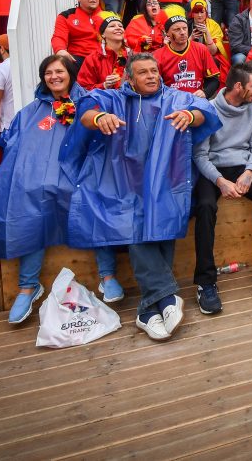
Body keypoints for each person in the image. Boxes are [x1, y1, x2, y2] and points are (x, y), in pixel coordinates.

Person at [62, 54, 220, 341]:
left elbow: (204, 112)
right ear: (130, 79)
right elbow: (85, 110)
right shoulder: (114, 100)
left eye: (154, 71)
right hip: (123, 186)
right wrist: (100, 118)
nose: (151, 76)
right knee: (133, 227)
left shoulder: (174, 98)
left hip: (164, 182)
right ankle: (166, 298)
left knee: (162, 226)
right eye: (143, 73)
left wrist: (189, 116)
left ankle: (148, 309)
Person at [0, 55, 89, 324]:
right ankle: (27, 286)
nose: (54, 77)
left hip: (80, 180)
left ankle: (108, 274)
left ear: (71, 74)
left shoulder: (88, 103)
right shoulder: (30, 111)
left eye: (59, 71)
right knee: (31, 202)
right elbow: (18, 148)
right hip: (42, 183)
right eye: (48, 73)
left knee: (89, 202)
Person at [192, 63, 252, 313]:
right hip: (214, 169)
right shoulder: (209, 110)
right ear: (238, 86)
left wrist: (249, 172)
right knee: (204, 206)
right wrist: (220, 182)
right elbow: (200, 156)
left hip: (243, 167)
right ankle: (205, 282)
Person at [154, 12, 220, 98]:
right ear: (167, 34)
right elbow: (155, 87)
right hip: (171, 102)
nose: (182, 32)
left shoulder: (201, 49)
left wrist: (205, 93)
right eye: (177, 29)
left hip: (196, 100)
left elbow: (214, 80)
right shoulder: (158, 55)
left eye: (184, 28)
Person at [51, 0, 105, 70]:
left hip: (103, 58)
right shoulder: (66, 16)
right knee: (53, 70)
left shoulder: (108, 17)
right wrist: (60, 50)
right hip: (78, 59)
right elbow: (59, 37)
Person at [76, 14, 132, 90]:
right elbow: (83, 89)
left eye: (120, 26)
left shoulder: (132, 56)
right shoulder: (93, 59)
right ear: (103, 34)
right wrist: (104, 85)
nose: (118, 28)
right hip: (104, 101)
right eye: (112, 26)